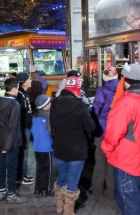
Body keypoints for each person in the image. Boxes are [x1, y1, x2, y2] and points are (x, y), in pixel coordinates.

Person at [101, 63, 140, 215]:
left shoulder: (126, 103)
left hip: (127, 163)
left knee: (129, 205)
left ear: (126, 80)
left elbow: (113, 132)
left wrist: (106, 149)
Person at [50, 75, 96, 215]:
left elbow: (53, 125)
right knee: (73, 181)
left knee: (62, 176)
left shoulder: (55, 103)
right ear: (76, 88)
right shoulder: (80, 105)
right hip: (76, 149)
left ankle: (59, 206)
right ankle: (68, 211)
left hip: (59, 148)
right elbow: (91, 127)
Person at [0, 78, 28, 204]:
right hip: (11, 143)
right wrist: (8, 146)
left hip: (1, 140)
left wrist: (2, 144)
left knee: (1, 165)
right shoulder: (15, 104)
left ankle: (2, 191)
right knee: (12, 167)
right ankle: (12, 194)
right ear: (14, 88)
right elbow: (13, 127)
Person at [91, 66, 119, 198]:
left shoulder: (102, 90)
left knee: (100, 161)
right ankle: (111, 191)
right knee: (112, 162)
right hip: (116, 131)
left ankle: (97, 190)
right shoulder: (122, 89)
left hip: (102, 131)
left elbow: (96, 110)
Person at [31, 94, 53, 197]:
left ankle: (38, 189)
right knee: (47, 169)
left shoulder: (35, 115)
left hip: (37, 147)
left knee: (39, 168)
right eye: (49, 103)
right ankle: (46, 189)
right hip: (47, 147)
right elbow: (49, 131)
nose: (51, 104)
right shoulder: (48, 115)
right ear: (46, 106)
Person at [16, 72, 34, 185]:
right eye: (29, 79)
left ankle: (24, 175)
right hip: (23, 127)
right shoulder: (20, 95)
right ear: (24, 82)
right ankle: (20, 177)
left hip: (26, 126)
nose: (31, 81)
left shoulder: (24, 94)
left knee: (25, 152)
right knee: (24, 152)